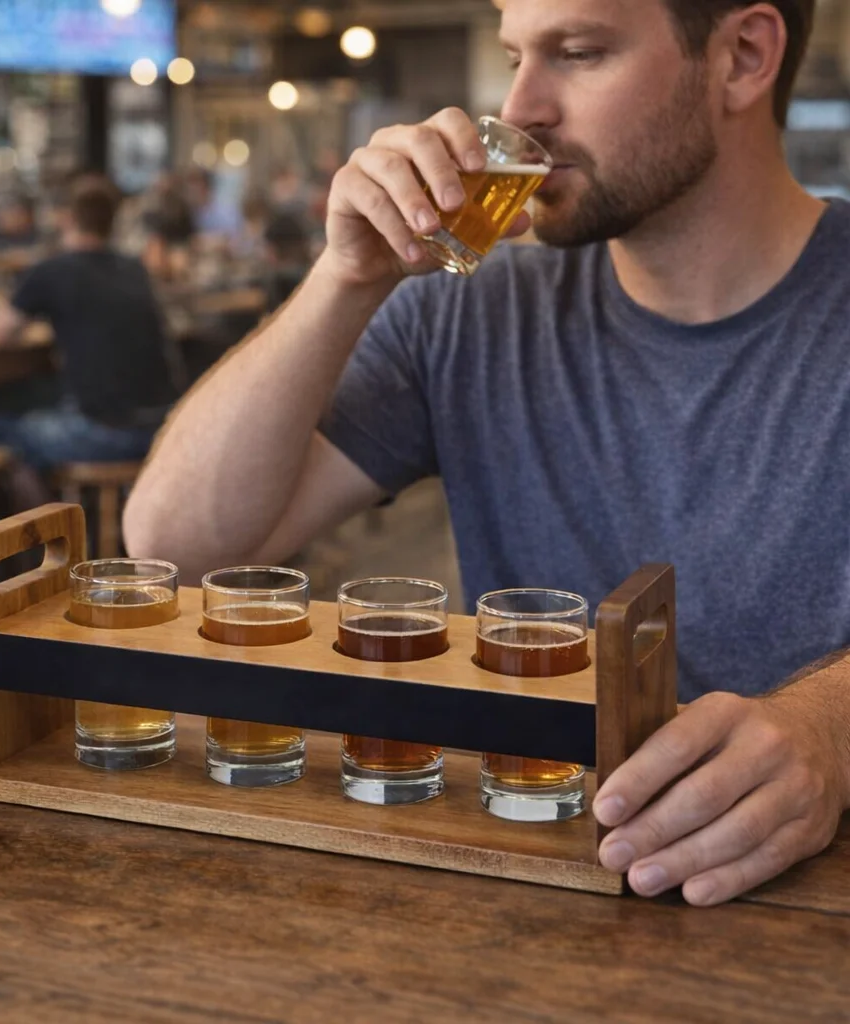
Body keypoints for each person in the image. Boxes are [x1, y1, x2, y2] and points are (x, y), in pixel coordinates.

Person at [123, 0, 850, 906]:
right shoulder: (468, 311)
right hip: (523, 881)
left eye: (579, 54)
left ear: (743, 57)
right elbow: (176, 548)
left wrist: (831, 726)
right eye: (513, 57)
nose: (520, 105)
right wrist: (344, 277)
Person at [0, 174, 182, 505]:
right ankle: (90, 532)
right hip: (163, 428)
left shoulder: (50, 271)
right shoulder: (134, 268)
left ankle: (53, 545)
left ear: (67, 218)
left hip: (104, 431)